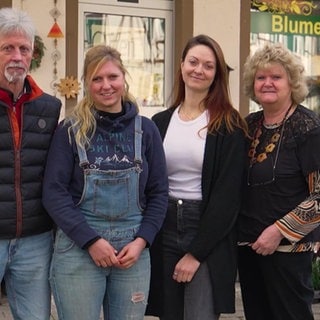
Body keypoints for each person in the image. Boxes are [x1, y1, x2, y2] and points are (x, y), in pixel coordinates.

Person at [42, 44, 168, 320]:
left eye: (112, 77)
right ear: (87, 84)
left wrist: (142, 241)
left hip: (131, 252)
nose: (106, 85)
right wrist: (91, 241)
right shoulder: (71, 130)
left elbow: (159, 193)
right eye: (97, 79)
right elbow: (54, 192)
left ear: (124, 77)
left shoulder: (146, 130)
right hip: (79, 249)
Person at [145, 34, 248, 320]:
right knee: (168, 313)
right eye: (193, 62)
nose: (198, 70)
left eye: (208, 65)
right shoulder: (160, 122)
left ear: (216, 75)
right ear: (181, 66)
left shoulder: (229, 125)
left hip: (205, 229)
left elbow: (227, 199)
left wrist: (196, 253)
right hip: (164, 225)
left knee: (199, 314)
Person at [237, 42, 320, 320]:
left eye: (276, 77)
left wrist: (278, 231)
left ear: (291, 82)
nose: (267, 83)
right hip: (249, 250)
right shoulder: (248, 126)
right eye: (261, 77)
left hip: (288, 252)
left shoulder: (308, 127)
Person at [0, 7, 61, 320]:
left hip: (35, 241)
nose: (16, 56)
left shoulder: (49, 107)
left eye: (24, 49)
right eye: (7, 47)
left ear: (33, 54)